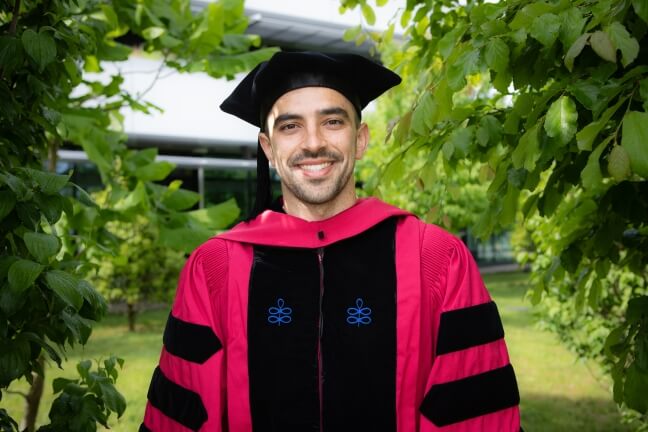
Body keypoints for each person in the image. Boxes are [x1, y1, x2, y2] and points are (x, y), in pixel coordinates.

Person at [140, 51, 521, 432]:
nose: (314, 143)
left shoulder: (436, 259)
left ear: (360, 139)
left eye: (333, 121)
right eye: (290, 127)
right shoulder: (215, 268)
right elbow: (182, 415)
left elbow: (476, 413)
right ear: (268, 148)